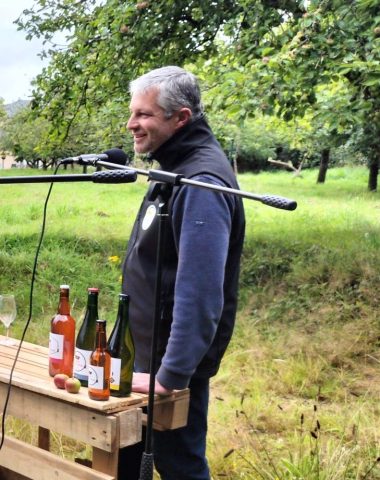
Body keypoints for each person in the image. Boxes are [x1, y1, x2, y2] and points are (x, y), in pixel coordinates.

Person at [120, 66, 245, 480]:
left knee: (180, 467)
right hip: (146, 359)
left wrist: (170, 376)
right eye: (133, 112)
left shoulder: (202, 181)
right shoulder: (173, 167)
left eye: (144, 115)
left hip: (167, 372)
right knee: (125, 457)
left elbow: (201, 291)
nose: (131, 124)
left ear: (181, 118)